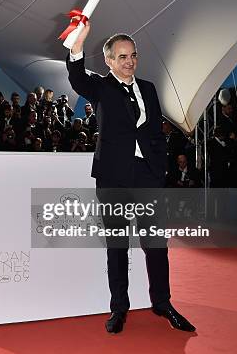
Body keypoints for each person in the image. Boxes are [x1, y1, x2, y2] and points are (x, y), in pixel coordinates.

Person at [66, 20, 195, 334]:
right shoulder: (100, 87)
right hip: (113, 178)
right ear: (109, 61)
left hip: (146, 176)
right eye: (122, 57)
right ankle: (118, 309)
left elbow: (154, 133)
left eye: (133, 55)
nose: (129, 61)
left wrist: (158, 168)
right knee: (118, 246)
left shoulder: (149, 88)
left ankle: (162, 303)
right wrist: (77, 44)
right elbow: (76, 76)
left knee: (156, 245)